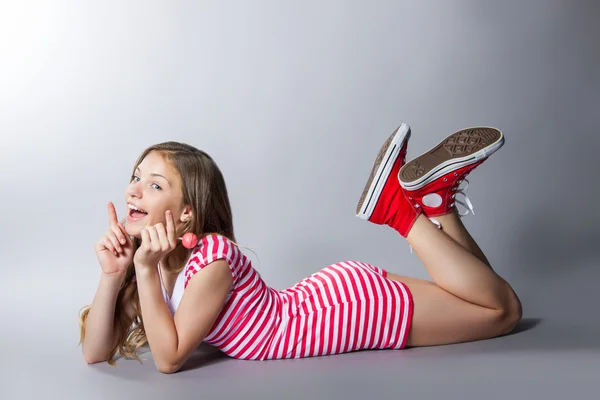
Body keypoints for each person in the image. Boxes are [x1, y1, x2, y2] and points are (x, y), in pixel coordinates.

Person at [79, 123, 522, 373]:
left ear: (188, 213)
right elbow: (95, 352)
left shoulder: (211, 259)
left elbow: (170, 358)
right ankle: (436, 204)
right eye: (136, 176)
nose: (134, 190)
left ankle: (401, 213)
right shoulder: (157, 263)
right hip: (330, 299)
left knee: (503, 313)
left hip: (345, 314)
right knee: (491, 302)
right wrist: (113, 273)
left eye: (154, 184)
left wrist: (140, 268)